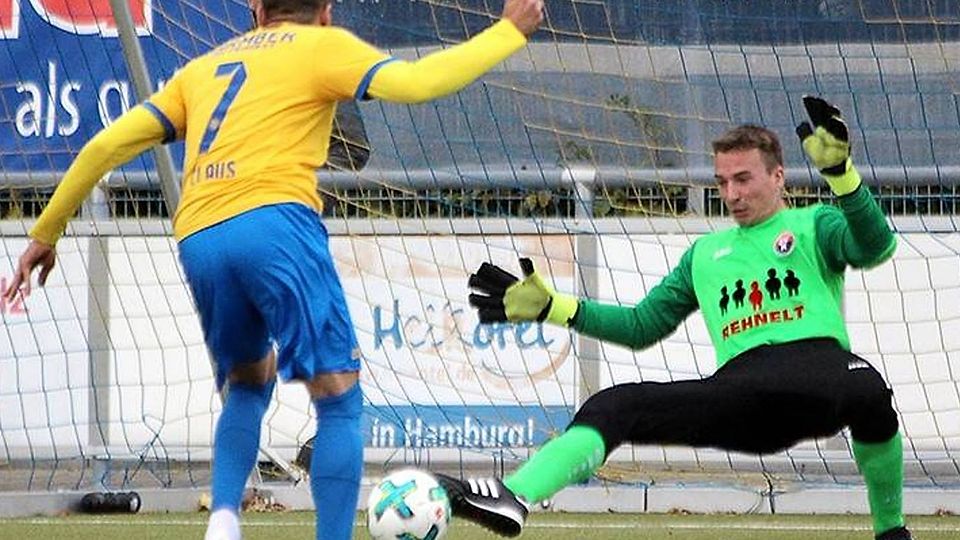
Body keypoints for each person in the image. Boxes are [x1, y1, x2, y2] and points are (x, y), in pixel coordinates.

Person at [3, 0, 544, 538]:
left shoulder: (204, 68)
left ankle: (222, 519)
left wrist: (45, 234)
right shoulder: (322, 47)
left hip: (199, 234)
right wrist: (507, 32)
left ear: (257, 10)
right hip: (276, 224)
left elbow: (105, 144)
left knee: (247, 382)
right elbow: (421, 81)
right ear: (327, 12)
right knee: (337, 397)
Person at [438, 96, 910, 540]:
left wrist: (841, 174)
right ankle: (515, 495)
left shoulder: (814, 224)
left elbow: (876, 246)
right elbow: (643, 326)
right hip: (745, 397)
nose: (731, 193)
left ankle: (892, 531)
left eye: (743, 178)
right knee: (614, 405)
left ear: (779, 176)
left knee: (867, 388)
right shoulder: (704, 254)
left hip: (821, 374)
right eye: (723, 182)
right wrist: (552, 307)